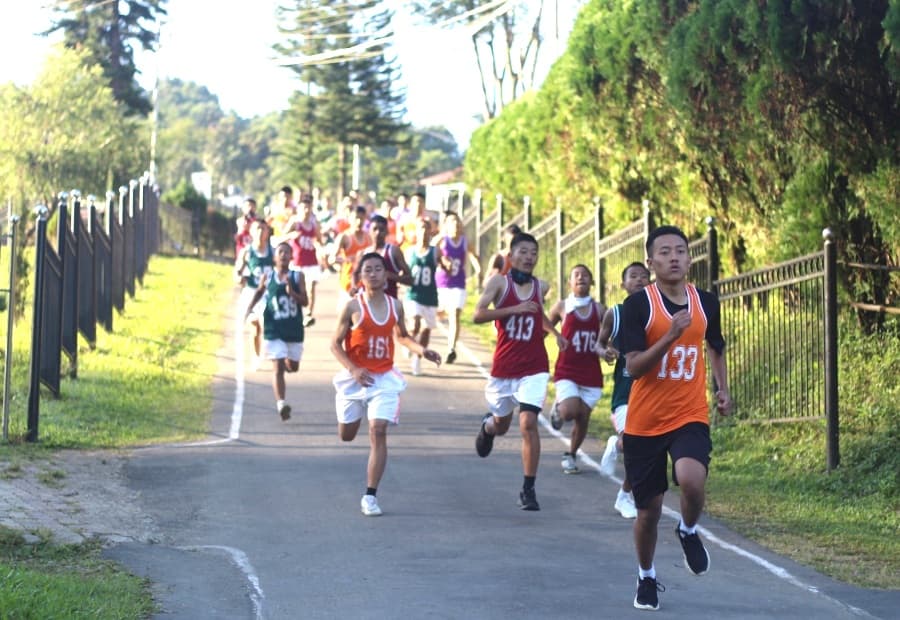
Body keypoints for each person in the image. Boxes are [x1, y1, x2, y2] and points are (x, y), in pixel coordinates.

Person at [618, 225, 732, 611]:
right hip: (645, 422)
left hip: (689, 413)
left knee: (692, 481)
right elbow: (634, 367)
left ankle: (688, 529)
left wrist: (722, 388)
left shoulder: (706, 302)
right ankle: (646, 576)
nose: (673, 258)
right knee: (648, 512)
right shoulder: (638, 306)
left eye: (680, 251)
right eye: (664, 252)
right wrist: (669, 336)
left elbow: (715, 345)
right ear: (650, 262)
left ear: (689, 258)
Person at [330, 252, 441, 516]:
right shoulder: (352, 307)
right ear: (360, 276)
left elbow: (402, 336)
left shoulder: (395, 305)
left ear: (386, 275)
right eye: (368, 269)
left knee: (378, 429)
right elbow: (334, 344)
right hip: (355, 378)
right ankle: (353, 413)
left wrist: (422, 350)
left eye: (378, 269)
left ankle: (370, 496)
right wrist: (354, 369)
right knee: (346, 435)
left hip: (383, 379)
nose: (373, 274)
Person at [473, 232, 566, 511]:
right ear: (511, 256)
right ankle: (488, 427)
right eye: (523, 252)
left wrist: (555, 333)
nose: (528, 257)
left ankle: (528, 489)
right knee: (501, 425)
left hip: (534, 366)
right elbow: (478, 314)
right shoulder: (499, 283)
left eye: (533, 253)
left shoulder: (541, 286)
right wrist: (513, 309)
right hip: (504, 368)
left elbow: (536, 313)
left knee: (528, 423)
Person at [595, 261, 651, 519]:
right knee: (634, 443)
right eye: (633, 276)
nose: (639, 280)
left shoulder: (657, 313)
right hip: (625, 393)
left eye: (644, 276)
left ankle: (624, 491)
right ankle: (624, 496)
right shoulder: (615, 313)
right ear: (623, 284)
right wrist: (605, 352)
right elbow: (598, 343)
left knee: (643, 450)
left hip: (653, 391)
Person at [546, 264, 608, 475]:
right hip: (567, 370)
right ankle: (559, 407)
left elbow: (610, 334)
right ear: (569, 283)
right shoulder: (562, 306)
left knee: (583, 418)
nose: (581, 278)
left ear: (592, 281)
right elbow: (544, 327)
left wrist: (609, 349)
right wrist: (555, 336)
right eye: (576, 275)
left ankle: (571, 454)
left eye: (585, 275)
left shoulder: (599, 310)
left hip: (591, 372)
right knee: (570, 411)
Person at [245, 242, 308, 420]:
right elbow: (259, 292)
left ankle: (287, 361)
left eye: (287, 252)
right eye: (280, 252)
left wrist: (292, 292)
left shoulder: (297, 276)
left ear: (292, 256)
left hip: (293, 328)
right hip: (274, 328)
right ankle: (281, 404)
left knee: (293, 367)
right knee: (277, 368)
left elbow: (305, 302)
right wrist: (249, 308)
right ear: (274, 257)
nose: (283, 255)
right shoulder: (268, 276)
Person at [435, 211, 481, 363]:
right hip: (442, 283)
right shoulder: (442, 240)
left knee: (455, 314)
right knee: (440, 314)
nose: (456, 225)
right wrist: (441, 258)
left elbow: (474, 255)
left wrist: (479, 270)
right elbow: (430, 249)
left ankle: (451, 348)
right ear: (447, 226)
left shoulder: (465, 241)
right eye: (452, 222)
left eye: (457, 222)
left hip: (458, 283)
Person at [279, 194, 325, 327]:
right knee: (295, 288)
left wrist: (321, 251)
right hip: (297, 262)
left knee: (311, 286)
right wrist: (291, 235)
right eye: (304, 207)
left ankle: (309, 314)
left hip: (311, 261)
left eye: (308, 207)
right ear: (299, 209)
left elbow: (320, 240)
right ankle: (293, 312)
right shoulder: (295, 222)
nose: (306, 210)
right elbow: (281, 238)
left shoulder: (314, 224)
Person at [234, 219, 274, 370]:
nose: (260, 232)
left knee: (265, 323)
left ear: (268, 232)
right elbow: (237, 272)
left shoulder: (273, 251)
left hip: (267, 294)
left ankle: (271, 351)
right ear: (251, 232)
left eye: (263, 229)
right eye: (257, 229)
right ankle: (256, 356)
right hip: (251, 293)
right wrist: (239, 277)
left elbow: (282, 269)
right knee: (255, 328)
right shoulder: (247, 252)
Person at [404, 217, 439, 376]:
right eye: (421, 228)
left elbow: (444, 264)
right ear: (416, 232)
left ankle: (417, 358)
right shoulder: (409, 251)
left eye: (426, 228)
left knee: (426, 330)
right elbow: (404, 270)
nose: (424, 231)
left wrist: (447, 264)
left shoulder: (435, 251)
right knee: (415, 323)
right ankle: (409, 342)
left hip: (430, 296)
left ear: (430, 231)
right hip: (413, 294)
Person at [354, 214, 412, 300]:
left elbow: (410, 279)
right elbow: (355, 274)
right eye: (375, 229)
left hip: (388, 303)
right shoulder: (363, 253)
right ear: (369, 231)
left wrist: (391, 276)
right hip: (367, 303)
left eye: (381, 229)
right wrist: (354, 287)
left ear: (387, 232)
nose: (378, 233)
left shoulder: (393, 251)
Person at [329, 206, 370, 302]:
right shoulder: (344, 237)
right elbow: (331, 259)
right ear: (350, 218)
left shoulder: (369, 237)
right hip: (347, 283)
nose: (359, 222)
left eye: (362, 218)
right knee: (346, 311)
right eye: (356, 218)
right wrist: (345, 260)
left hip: (364, 284)